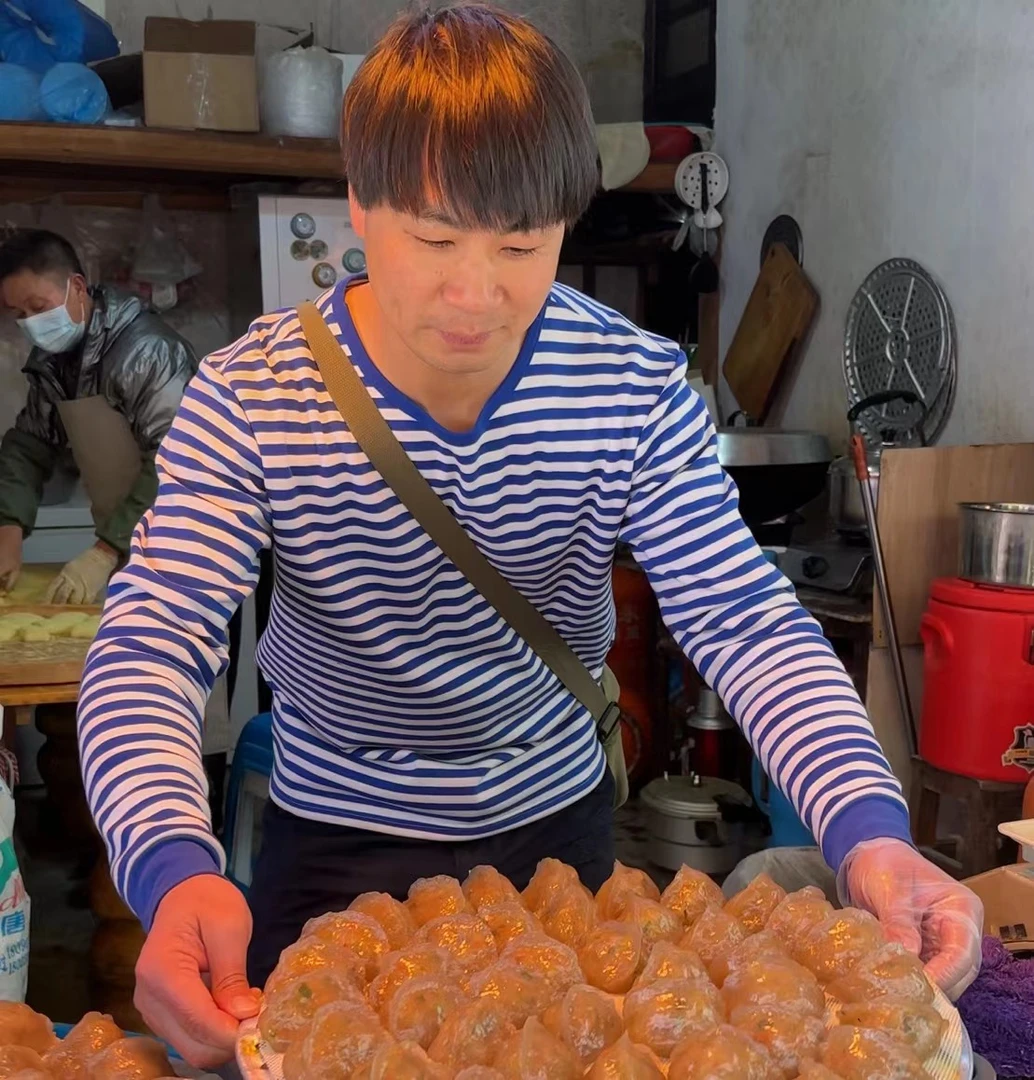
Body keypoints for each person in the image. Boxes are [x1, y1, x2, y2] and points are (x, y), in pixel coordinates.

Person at [77, 3, 983, 1069]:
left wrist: (869, 830)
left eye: (520, 245)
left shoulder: (631, 389)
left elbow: (739, 619)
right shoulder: (253, 395)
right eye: (432, 238)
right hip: (334, 841)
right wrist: (172, 866)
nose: (474, 295)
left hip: (555, 828)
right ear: (358, 205)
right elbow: (151, 643)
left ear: (563, 220)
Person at [0, 228, 197, 603]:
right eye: (19, 314)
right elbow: (30, 444)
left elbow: (179, 460)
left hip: (187, 548)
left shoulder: (148, 352)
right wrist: (8, 528)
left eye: (38, 307)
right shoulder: (52, 363)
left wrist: (105, 552)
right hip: (128, 542)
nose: (30, 322)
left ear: (77, 287)